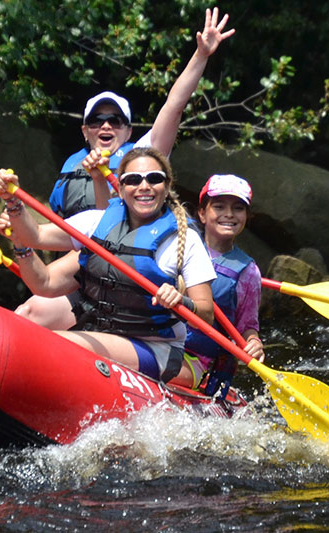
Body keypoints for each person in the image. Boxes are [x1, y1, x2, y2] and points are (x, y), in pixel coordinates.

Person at [15, 7, 235, 329]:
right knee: (29, 312)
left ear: (128, 131)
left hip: (141, 263)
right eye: (97, 121)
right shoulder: (71, 167)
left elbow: (173, 106)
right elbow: (89, 228)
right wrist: (15, 217)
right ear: (85, 131)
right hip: (91, 255)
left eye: (115, 120)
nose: (106, 126)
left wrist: (201, 55)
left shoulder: (144, 157)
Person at [0, 147, 216, 384]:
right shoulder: (98, 221)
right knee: (24, 323)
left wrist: (181, 301)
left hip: (154, 346)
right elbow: (34, 236)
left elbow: (207, 314)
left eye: (154, 178)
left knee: (56, 343)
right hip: (102, 328)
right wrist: (12, 201)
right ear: (120, 188)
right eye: (133, 180)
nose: (144, 186)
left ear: (167, 186)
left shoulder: (184, 239)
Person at [179, 174, 264, 395]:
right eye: (218, 206)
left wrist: (253, 341)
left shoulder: (248, 272)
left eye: (238, 208)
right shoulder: (179, 244)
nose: (228, 214)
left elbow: (246, 325)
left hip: (196, 360)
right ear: (202, 213)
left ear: (246, 216)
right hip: (159, 339)